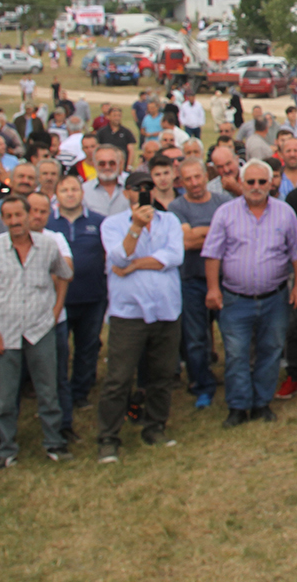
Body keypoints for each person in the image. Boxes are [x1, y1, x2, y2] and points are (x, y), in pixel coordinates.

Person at [202, 160, 297, 428]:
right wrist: (213, 289)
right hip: (236, 299)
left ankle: (261, 403)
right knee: (236, 354)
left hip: (275, 298)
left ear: (272, 183)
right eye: (251, 182)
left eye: (262, 182)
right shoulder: (225, 213)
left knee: (270, 351)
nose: (257, 187)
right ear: (242, 182)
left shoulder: (285, 212)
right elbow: (212, 254)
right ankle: (238, 406)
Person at [0, 196, 74, 467]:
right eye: (9, 217)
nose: (15, 221)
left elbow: (64, 274)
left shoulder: (47, 246)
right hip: (5, 331)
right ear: (3, 220)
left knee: (48, 390)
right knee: (6, 395)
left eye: (19, 215)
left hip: (40, 327)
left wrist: (56, 311)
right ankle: (6, 448)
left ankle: (54, 442)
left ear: (29, 216)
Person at [96, 170, 185, 462]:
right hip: (129, 313)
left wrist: (135, 266)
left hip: (165, 309)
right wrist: (135, 228)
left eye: (148, 187)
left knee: (161, 375)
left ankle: (155, 425)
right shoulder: (112, 224)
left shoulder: (169, 221)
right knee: (119, 378)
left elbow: (173, 257)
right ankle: (108, 437)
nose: (144, 192)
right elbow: (118, 257)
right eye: (137, 188)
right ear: (127, 193)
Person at [169, 160, 230, 409]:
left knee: (231, 334)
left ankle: (235, 382)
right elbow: (186, 242)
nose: (194, 183)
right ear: (181, 182)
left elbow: (230, 236)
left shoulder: (223, 202)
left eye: (197, 177)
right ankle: (201, 384)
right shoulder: (176, 206)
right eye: (188, 179)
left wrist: (199, 232)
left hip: (225, 280)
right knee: (195, 339)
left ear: (206, 176)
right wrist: (215, 232)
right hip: (191, 280)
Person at [47, 175, 108, 418]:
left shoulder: (98, 221)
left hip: (93, 294)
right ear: (57, 194)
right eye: (64, 190)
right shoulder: (49, 223)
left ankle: (80, 391)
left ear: (82, 193)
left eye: (74, 189)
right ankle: (60, 391)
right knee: (60, 348)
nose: (70, 194)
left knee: (88, 346)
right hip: (58, 298)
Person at [83, 145, 129, 216]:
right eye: (102, 163)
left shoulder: (130, 187)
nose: (107, 167)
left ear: (119, 164)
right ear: (94, 164)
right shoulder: (84, 191)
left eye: (112, 163)